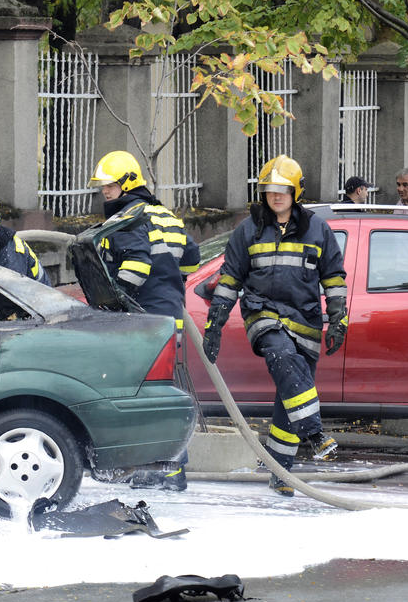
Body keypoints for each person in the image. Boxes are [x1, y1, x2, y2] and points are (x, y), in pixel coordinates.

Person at [201, 155, 347, 497]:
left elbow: (334, 279)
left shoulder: (318, 229)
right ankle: (314, 433)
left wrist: (339, 320)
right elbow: (229, 281)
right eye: (269, 190)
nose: (276, 196)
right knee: (281, 356)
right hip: (262, 314)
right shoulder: (248, 231)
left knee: (290, 395)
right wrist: (214, 325)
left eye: (283, 190)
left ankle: (282, 473)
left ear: (296, 192)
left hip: (306, 320)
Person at [89, 150, 200, 491]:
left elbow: (136, 266)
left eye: (109, 186)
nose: (105, 192)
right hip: (170, 318)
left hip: (144, 323)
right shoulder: (165, 215)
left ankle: (166, 469)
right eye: (103, 187)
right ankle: (167, 468)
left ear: (127, 183)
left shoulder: (129, 218)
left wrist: (115, 301)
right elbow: (191, 261)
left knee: (146, 397)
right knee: (162, 394)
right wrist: (168, 288)